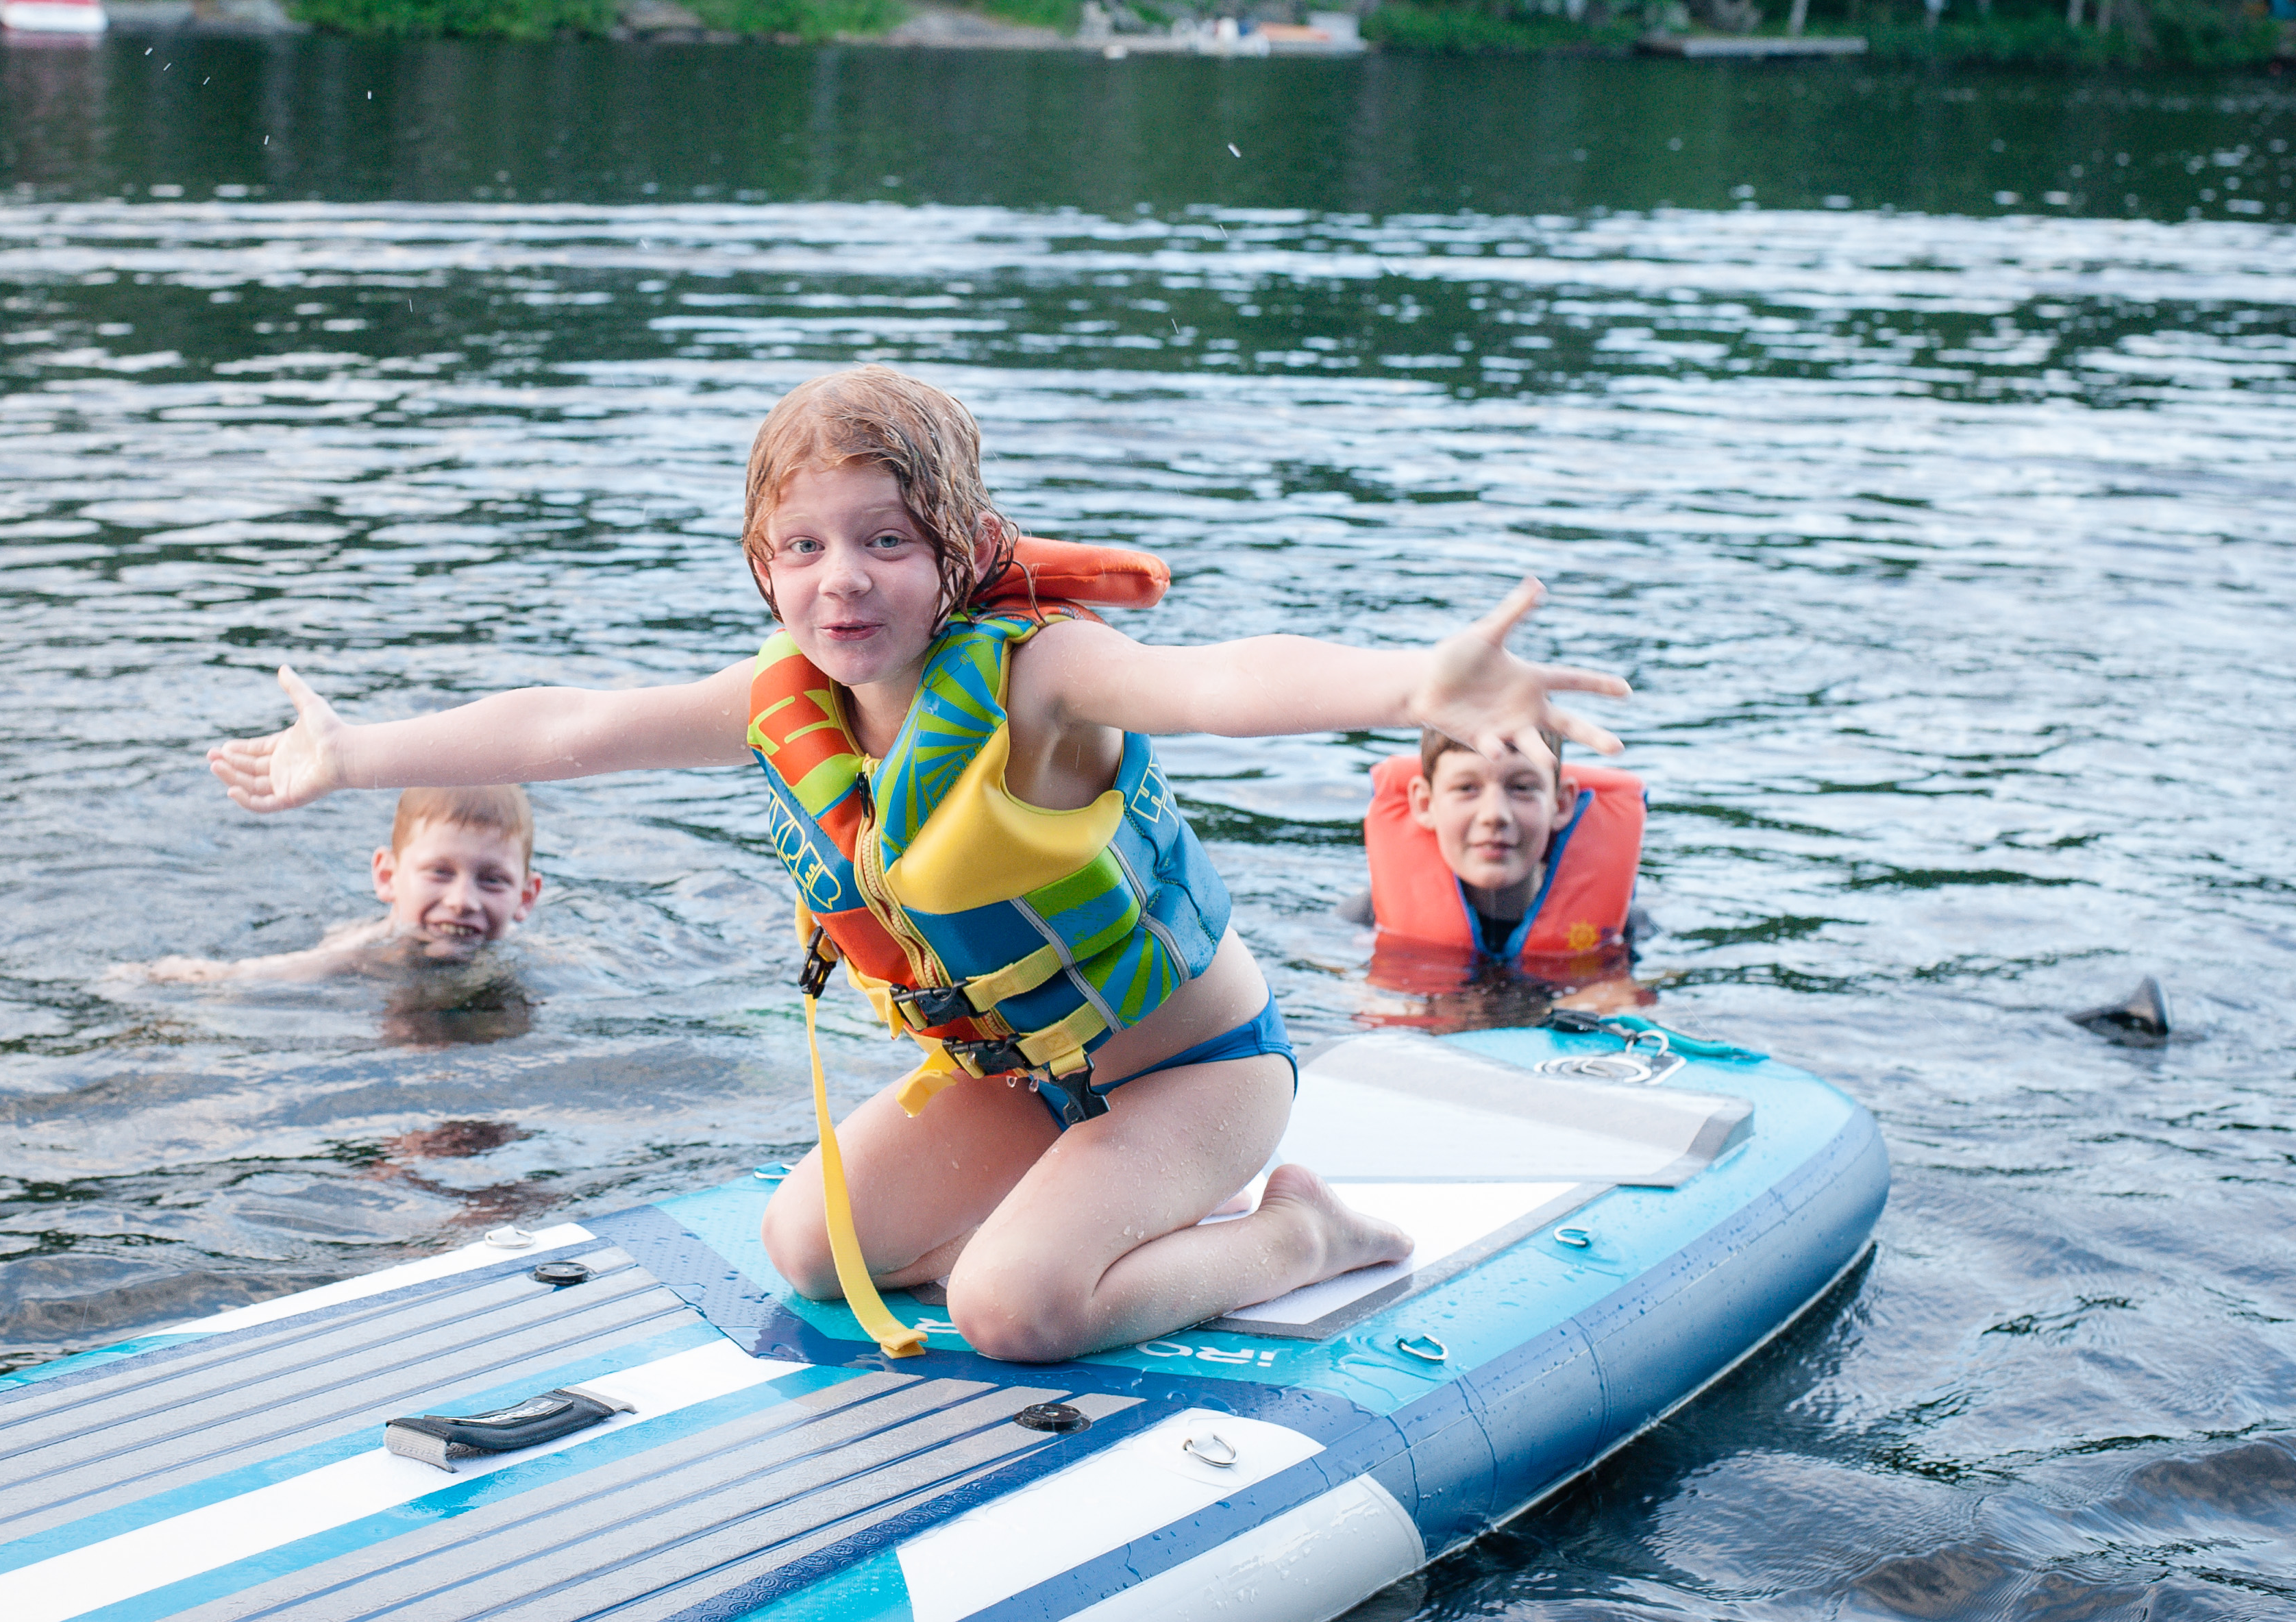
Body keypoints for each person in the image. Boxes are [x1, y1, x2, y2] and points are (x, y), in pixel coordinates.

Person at [206, 365, 1626, 1364]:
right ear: (764, 566)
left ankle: (1295, 1238)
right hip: (1022, 1084)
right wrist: (357, 752)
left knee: (1015, 1313)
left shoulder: (1041, 676)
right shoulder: (781, 702)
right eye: (804, 545)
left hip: (1195, 1078)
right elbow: (566, 724)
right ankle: (1075, 1217)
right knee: (810, 1246)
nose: (842, 577)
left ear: (958, 552)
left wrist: (1412, 681)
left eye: (885, 540)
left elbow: (1215, 680)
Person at [147, 785, 542, 982]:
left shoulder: (533, 956)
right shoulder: (357, 954)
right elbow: (255, 976)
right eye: (440, 872)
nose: (462, 901)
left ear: (526, 897)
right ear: (387, 877)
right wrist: (174, 976)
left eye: (493, 881)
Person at [1342, 730, 1646, 970]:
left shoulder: (1625, 930)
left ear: (1561, 804)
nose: (1495, 815)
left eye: (1522, 788)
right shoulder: (1363, 920)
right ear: (1425, 804)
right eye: (1466, 788)